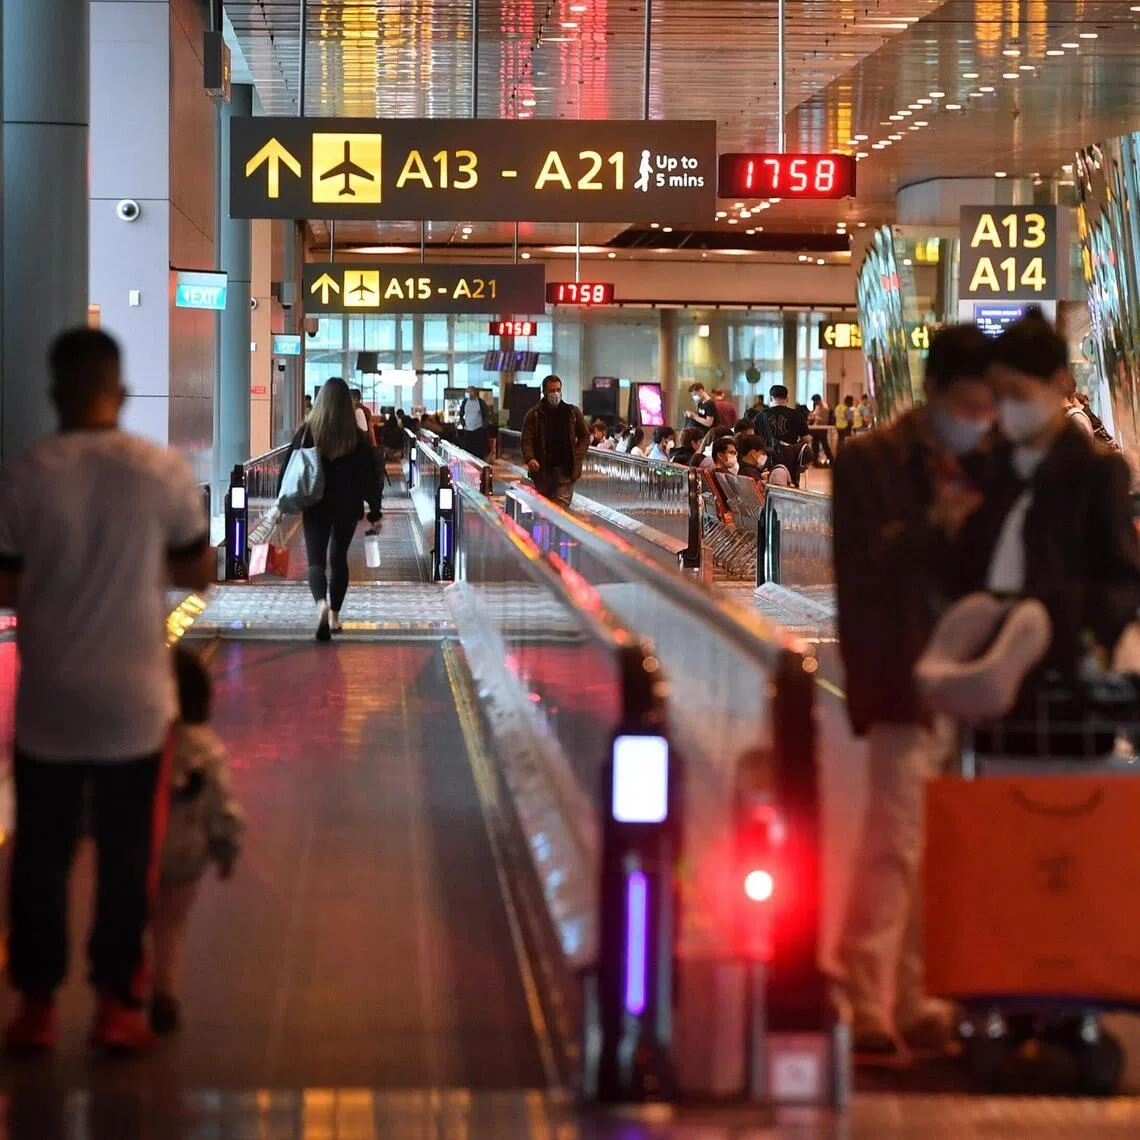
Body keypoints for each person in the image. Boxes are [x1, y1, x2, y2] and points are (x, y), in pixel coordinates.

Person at [0, 328, 213, 1054]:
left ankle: (35, 1006)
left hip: (49, 703)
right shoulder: (161, 472)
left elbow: (4, 580)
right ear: (118, 392)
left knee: (43, 855)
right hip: (136, 705)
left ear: (54, 391)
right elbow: (196, 573)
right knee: (128, 856)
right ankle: (118, 1005)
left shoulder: (26, 472)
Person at [833, 323, 999, 1057]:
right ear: (933, 393)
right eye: (969, 401)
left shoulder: (992, 461)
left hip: (979, 679)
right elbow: (869, 566)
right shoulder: (873, 461)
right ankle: (865, 996)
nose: (980, 415)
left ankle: (920, 993)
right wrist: (937, 524)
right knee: (896, 840)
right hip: (906, 672)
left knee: (946, 846)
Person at [950, 313, 1140, 677]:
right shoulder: (991, 464)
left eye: (1018, 393)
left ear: (1058, 383)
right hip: (984, 660)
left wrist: (1060, 622)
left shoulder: (1096, 471)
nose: (1007, 407)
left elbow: (1121, 583)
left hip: (1060, 674)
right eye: (999, 394)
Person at [151, 647, 244, 1036]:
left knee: (130, 922)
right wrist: (225, 849)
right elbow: (221, 804)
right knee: (171, 929)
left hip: (139, 849)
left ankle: (123, 991)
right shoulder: (206, 748)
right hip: (186, 854)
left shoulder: (141, 742)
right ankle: (165, 994)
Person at [281, 377, 382, 641]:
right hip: (347, 507)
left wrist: (281, 503)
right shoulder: (356, 438)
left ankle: (320, 605)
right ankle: (335, 617)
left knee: (316, 560)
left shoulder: (307, 432)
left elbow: (288, 468)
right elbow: (371, 477)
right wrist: (375, 510)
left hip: (315, 504)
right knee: (339, 560)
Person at [520, 375, 590, 508]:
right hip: (543, 472)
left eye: (558, 390)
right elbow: (526, 441)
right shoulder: (534, 415)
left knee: (560, 509)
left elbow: (585, 436)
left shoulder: (572, 412)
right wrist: (530, 459)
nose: (555, 394)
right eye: (551, 391)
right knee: (545, 509)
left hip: (566, 471)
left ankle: (557, 528)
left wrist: (576, 455)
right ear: (544, 392)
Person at [458, 385, 492, 459]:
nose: (469, 393)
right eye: (468, 392)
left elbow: (487, 414)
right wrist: (463, 424)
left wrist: (483, 426)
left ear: (475, 392)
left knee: (478, 450)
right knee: (468, 450)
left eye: (471, 391)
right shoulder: (465, 402)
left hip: (478, 430)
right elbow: (461, 414)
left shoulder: (480, 402)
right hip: (467, 430)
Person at [810, 394, 835, 466]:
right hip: (816, 429)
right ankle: (815, 461)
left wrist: (815, 417)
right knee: (815, 445)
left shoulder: (825, 408)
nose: (815, 403)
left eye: (815, 401)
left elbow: (824, 419)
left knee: (825, 446)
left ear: (818, 400)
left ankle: (831, 461)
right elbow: (815, 414)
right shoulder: (817, 407)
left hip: (822, 429)